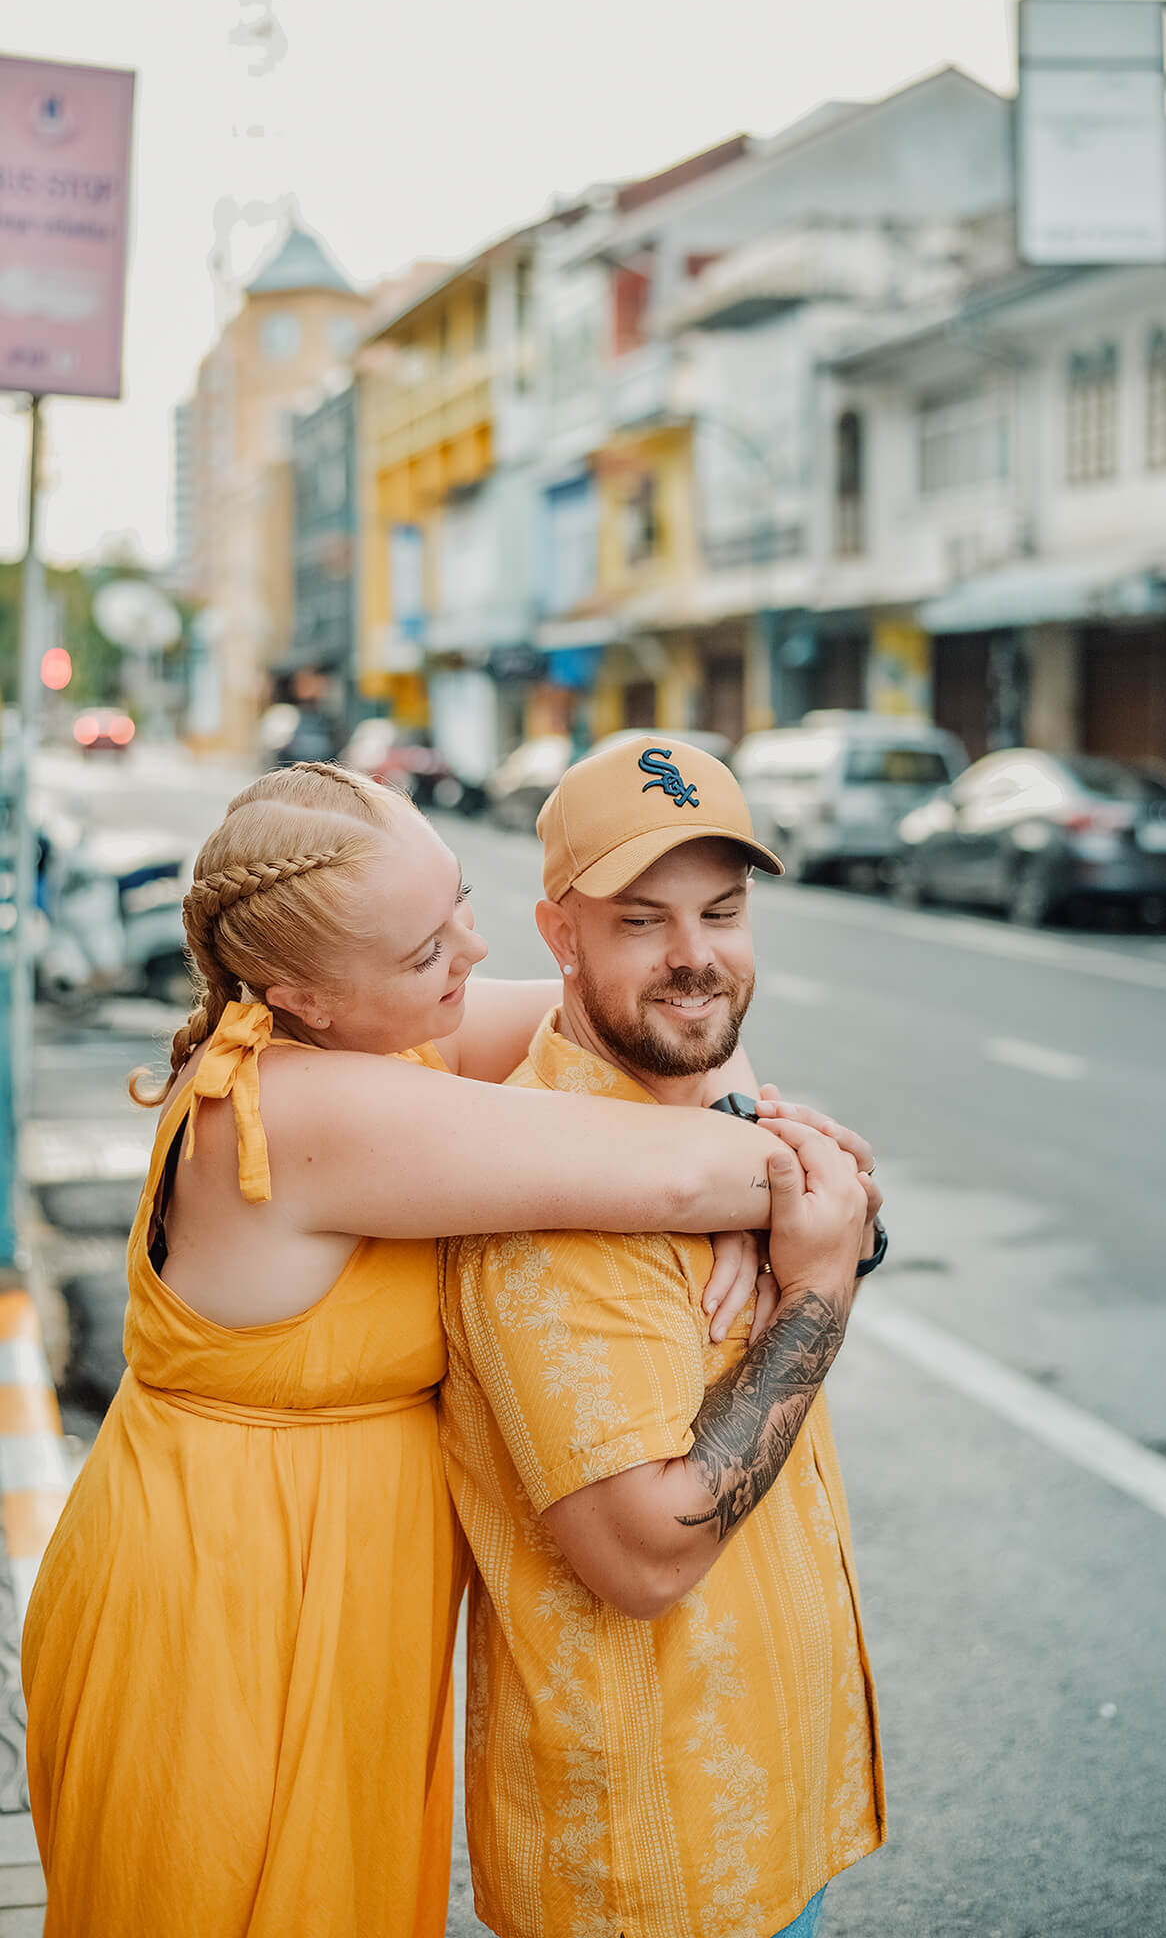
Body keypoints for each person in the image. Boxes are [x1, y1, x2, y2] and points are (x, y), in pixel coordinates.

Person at [21, 760, 845, 1938]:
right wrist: (788, 1217)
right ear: (302, 990)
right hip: (221, 1606)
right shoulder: (303, 1110)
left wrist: (736, 1118)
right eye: (422, 951)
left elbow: (659, 1025)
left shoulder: (399, 1035)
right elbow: (690, 1169)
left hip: (342, 1592)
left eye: (458, 899)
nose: (469, 948)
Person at [443, 737, 886, 1938]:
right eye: (641, 920)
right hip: (650, 1869)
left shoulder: (707, 1126)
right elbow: (643, 1552)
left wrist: (814, 1212)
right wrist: (818, 1297)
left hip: (767, 1813)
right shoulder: (546, 1197)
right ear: (559, 936)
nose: (696, 955)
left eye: (724, 910)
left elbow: (846, 1204)